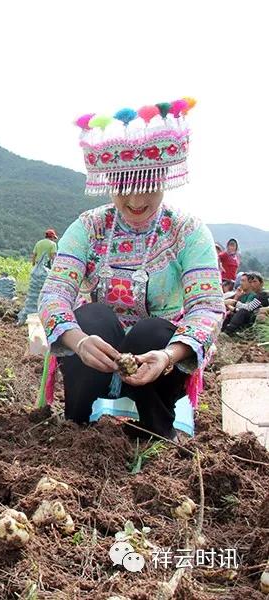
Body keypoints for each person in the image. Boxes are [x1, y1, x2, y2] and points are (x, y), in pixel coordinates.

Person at [38, 98, 224, 439]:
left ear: (164, 176)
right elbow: (54, 293)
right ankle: (77, 431)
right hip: (97, 353)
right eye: (124, 188)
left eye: (148, 186)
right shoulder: (89, 226)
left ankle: (156, 432)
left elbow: (207, 308)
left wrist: (169, 355)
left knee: (150, 332)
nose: (136, 201)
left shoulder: (188, 232)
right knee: (92, 317)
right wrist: (79, 341)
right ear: (109, 180)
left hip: (159, 359)